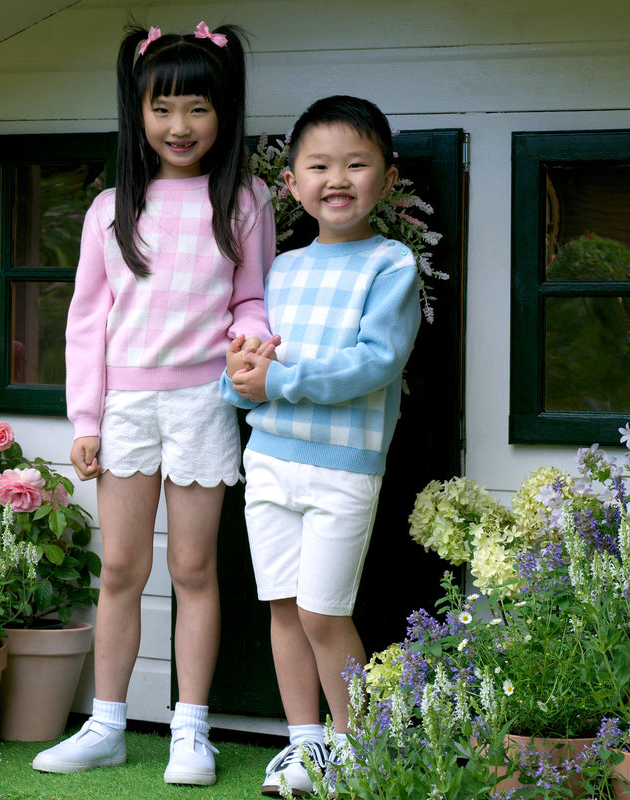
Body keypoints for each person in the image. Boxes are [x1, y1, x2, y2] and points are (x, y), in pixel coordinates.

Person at [32, 21, 277, 786]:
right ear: (138, 112)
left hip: (204, 404)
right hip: (127, 408)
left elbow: (253, 298)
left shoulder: (245, 197)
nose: (180, 126)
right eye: (163, 108)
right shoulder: (110, 208)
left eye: (198, 109)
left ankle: (190, 731)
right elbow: (84, 323)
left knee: (196, 568)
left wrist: (252, 344)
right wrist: (85, 420)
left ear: (223, 112)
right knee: (122, 570)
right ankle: (106, 725)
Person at [220, 95, 421, 797]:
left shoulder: (391, 264)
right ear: (293, 184)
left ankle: (357, 748)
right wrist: (240, 386)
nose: (338, 179)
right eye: (320, 166)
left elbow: (376, 362)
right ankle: (304, 747)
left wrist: (280, 380)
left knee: (321, 612)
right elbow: (252, 369)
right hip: (270, 460)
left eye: (356, 164)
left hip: (343, 469)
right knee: (281, 605)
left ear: (386, 180)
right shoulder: (281, 270)